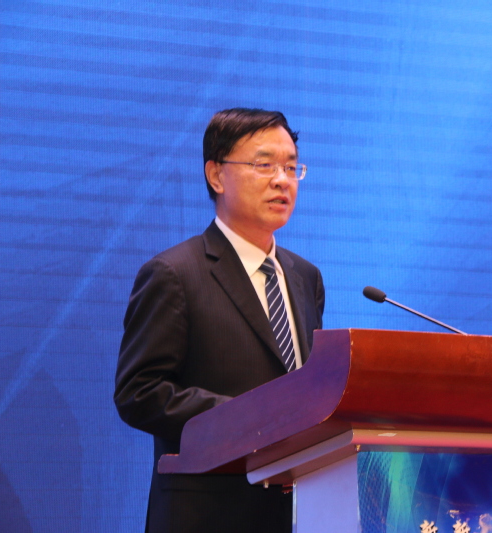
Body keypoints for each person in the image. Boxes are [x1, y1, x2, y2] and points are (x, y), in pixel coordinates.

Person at [114, 108, 325, 532]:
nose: (282, 180)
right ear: (216, 175)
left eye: (291, 167)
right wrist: (249, 417)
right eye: (264, 165)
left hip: (296, 513)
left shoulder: (305, 278)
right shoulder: (175, 274)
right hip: (208, 514)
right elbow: (140, 392)